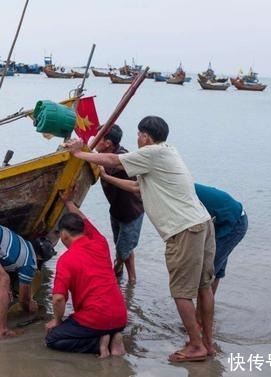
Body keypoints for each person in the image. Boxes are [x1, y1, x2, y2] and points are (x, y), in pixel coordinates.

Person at [66, 116, 216, 362]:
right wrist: (106, 177)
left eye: (139, 134)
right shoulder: (167, 152)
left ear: (146, 136)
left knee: (181, 292)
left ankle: (196, 346)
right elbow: (138, 188)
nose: (137, 139)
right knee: (203, 287)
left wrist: (79, 154)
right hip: (202, 223)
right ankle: (207, 344)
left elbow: (114, 159)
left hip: (184, 230)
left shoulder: (152, 153)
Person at [44, 194, 127, 358]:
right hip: (120, 317)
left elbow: (58, 299)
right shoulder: (100, 242)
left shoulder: (66, 259)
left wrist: (57, 321)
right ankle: (114, 335)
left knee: (52, 339)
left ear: (64, 235)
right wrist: (68, 202)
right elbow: (84, 219)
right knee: (93, 320)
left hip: (95, 319)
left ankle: (100, 343)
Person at [94, 124, 145, 283]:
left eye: (99, 138)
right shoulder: (105, 156)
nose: (95, 140)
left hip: (131, 212)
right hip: (116, 210)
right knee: (123, 247)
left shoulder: (122, 158)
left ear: (108, 143)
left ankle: (110, 277)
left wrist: (87, 155)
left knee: (122, 251)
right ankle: (131, 280)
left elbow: (109, 165)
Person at [194, 184, 247, 297]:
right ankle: (207, 307)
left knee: (207, 274)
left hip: (233, 222)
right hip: (224, 221)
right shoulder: (184, 184)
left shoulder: (181, 192)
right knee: (214, 271)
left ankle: (203, 311)